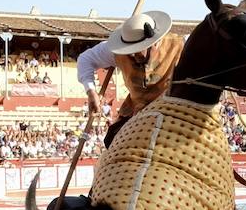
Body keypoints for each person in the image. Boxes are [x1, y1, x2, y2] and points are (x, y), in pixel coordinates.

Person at [76, 10, 182, 147]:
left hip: (172, 111)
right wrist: (91, 92)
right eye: (128, 52)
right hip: (134, 111)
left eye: (137, 51)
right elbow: (85, 59)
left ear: (154, 43)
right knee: (111, 141)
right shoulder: (119, 50)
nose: (131, 56)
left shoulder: (180, 46)